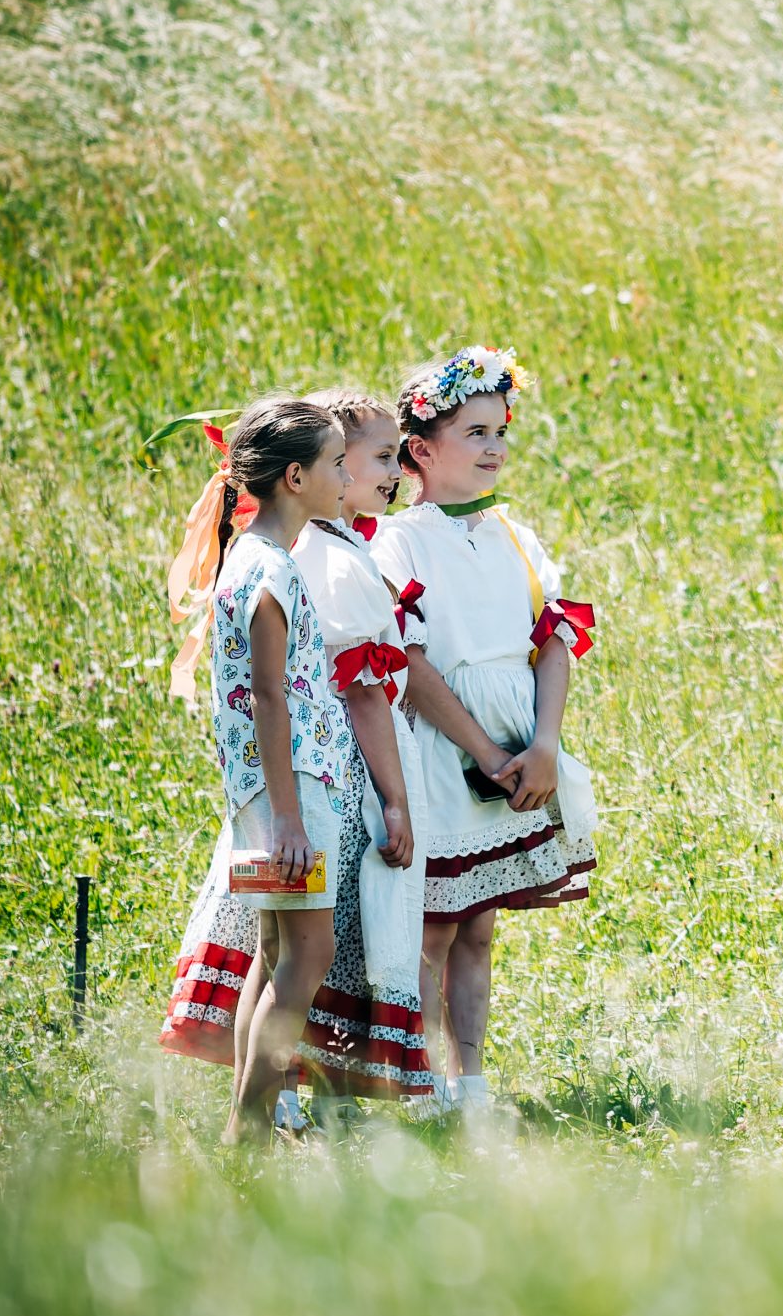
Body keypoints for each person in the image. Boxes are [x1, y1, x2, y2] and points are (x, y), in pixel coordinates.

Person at [370, 347, 598, 1118]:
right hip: (445, 752)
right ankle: (424, 1080)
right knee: (433, 928)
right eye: (475, 432)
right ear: (422, 451)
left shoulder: (515, 534)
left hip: (519, 745)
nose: (495, 446)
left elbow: (555, 639)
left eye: (501, 430)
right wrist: (485, 749)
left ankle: (471, 1082)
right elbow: (410, 661)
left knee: (479, 928)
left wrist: (543, 745)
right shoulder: (401, 540)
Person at [174, 397, 360, 1144]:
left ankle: (243, 1125)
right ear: (295, 478)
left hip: (262, 794)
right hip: (292, 796)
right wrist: (287, 815)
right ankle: (247, 1126)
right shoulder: (270, 571)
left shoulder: (248, 561)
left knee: (276, 950)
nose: (347, 474)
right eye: (337, 463)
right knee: (309, 951)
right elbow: (272, 698)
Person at [289, 386, 435, 1113]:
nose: (396, 470)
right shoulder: (339, 562)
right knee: (334, 927)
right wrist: (395, 799)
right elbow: (364, 692)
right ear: (333, 464)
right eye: (382, 456)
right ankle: (299, 1084)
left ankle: (314, 1083)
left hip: (326, 766)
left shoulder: (327, 546)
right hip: (349, 773)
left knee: (324, 929)